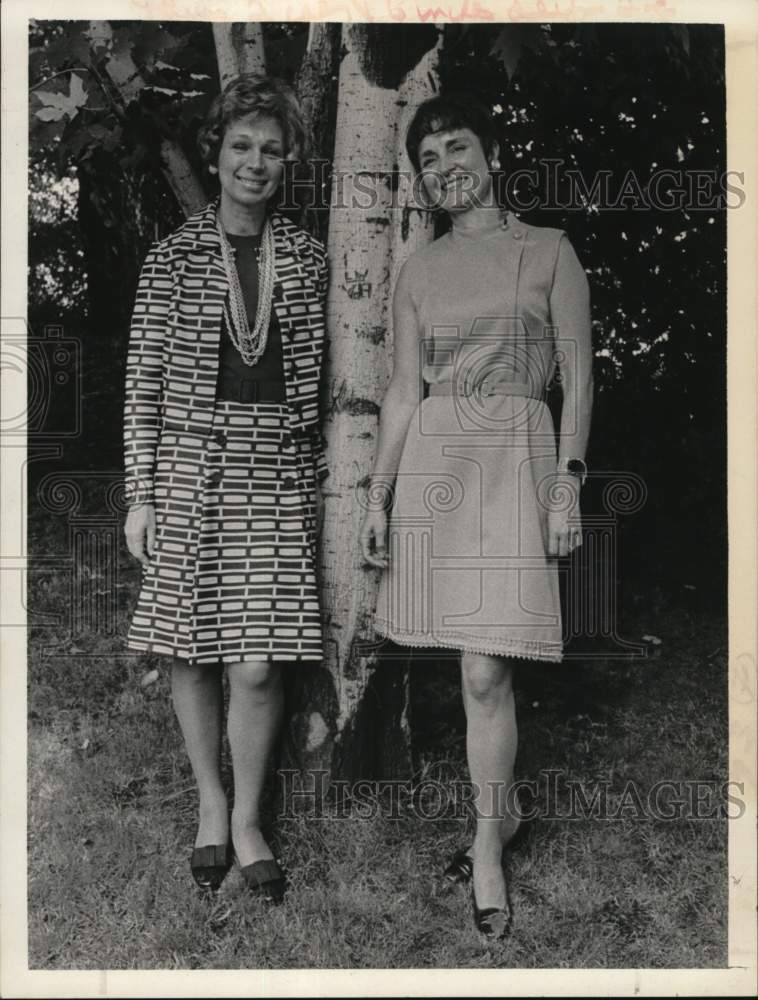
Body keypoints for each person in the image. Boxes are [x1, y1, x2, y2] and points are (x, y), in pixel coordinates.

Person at [359, 93, 593, 938]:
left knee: (489, 671)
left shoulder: (550, 251)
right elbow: (401, 389)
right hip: (438, 466)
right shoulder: (417, 270)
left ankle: (488, 843)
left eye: (457, 147)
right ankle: (504, 817)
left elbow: (578, 375)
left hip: (518, 462)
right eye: (428, 159)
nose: (444, 166)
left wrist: (567, 482)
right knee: (465, 669)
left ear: (490, 154)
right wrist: (380, 495)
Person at [123, 74, 329, 904]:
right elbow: (143, 381)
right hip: (190, 465)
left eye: (270, 149)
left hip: (277, 469)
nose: (255, 162)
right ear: (216, 153)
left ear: (288, 163)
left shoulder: (310, 259)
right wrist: (141, 492)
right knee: (190, 645)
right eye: (240, 145)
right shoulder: (172, 256)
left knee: (254, 664)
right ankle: (211, 805)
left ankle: (249, 817)